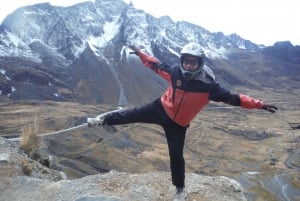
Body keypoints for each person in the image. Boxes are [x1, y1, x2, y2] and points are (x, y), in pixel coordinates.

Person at [88, 42, 278, 200]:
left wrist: (259, 105)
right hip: (160, 109)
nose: (188, 66)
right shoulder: (175, 72)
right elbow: (155, 65)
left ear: (200, 64)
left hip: (178, 125)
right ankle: (101, 121)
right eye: (186, 62)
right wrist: (139, 53)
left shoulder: (209, 86)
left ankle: (179, 190)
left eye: (192, 63)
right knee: (131, 114)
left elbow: (236, 99)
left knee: (176, 157)